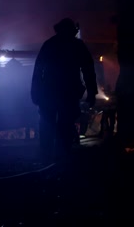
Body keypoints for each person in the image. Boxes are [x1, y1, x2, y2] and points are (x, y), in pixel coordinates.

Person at [31, 18, 98, 162]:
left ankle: (46, 155)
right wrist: (91, 92)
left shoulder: (49, 44)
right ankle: (62, 155)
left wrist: (35, 92)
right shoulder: (77, 45)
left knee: (47, 123)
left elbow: (38, 71)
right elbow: (88, 71)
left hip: (49, 92)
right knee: (65, 124)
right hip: (68, 92)